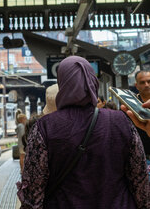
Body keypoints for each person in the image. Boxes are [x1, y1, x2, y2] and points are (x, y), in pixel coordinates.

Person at [17, 56, 149, 208]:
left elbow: (33, 191)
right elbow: (140, 179)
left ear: (62, 84)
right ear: (93, 82)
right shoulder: (121, 121)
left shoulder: (44, 127)